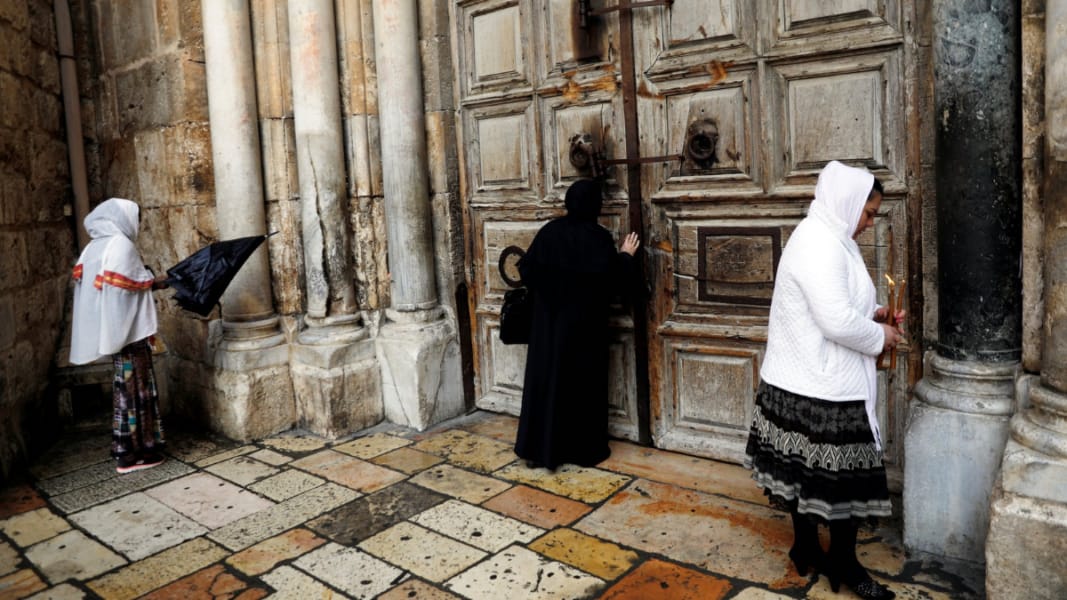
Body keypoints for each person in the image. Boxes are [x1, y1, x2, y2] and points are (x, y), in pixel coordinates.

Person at [744, 161, 903, 600]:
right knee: (837, 482)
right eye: (868, 213)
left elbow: (838, 305)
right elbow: (834, 320)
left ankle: (810, 548)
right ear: (849, 203)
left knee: (810, 476)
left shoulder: (834, 236)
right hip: (817, 386)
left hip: (809, 380)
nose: (870, 223)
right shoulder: (821, 242)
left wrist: (873, 318)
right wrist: (881, 335)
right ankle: (840, 561)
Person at [514, 179, 642, 470]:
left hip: (547, 330)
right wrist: (625, 255)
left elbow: (527, 271)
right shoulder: (596, 237)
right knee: (580, 391)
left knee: (548, 387)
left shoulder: (549, 232)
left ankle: (540, 450)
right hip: (583, 334)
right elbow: (612, 281)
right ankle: (581, 450)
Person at [70, 198, 169, 474]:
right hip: (131, 335)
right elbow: (131, 285)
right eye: (136, 219)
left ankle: (125, 448)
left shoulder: (95, 247)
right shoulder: (121, 246)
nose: (138, 225)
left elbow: (114, 288)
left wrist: (149, 280)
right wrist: (156, 280)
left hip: (117, 333)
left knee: (125, 391)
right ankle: (142, 450)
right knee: (138, 391)